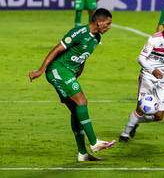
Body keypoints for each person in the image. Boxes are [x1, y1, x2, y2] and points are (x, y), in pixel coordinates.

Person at [29, 8, 115, 162]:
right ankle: (94, 142)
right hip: (58, 70)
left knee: (77, 111)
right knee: (82, 101)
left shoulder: (96, 38)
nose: (109, 27)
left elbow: (83, 57)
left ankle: (82, 154)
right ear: (99, 21)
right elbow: (56, 49)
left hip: (68, 73)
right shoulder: (79, 32)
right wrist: (40, 70)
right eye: (108, 23)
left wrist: (78, 72)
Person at [119, 14, 164, 142]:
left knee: (159, 116)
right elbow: (141, 58)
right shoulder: (154, 39)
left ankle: (135, 121)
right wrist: (152, 70)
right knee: (141, 108)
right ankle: (125, 133)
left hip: (163, 79)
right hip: (148, 76)